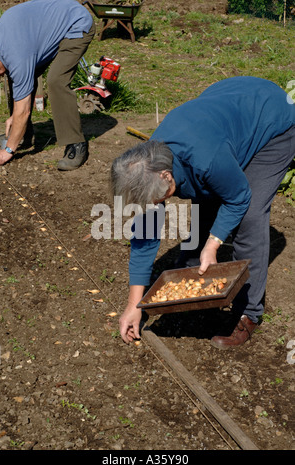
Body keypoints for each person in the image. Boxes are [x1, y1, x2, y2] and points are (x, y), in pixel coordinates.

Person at [111, 76, 295, 349]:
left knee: (249, 213)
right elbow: (145, 234)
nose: (155, 207)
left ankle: (248, 313)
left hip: (272, 121)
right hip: (227, 109)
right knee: (208, 195)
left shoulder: (204, 159)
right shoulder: (148, 166)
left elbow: (238, 197)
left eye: (156, 200)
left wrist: (213, 243)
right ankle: (194, 273)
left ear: (166, 174)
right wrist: (133, 305)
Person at [0, 0, 95, 171]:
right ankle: (21, 134)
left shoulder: (16, 56)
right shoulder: (3, 45)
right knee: (16, 78)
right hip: (47, 29)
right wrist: (15, 116)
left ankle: (76, 144)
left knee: (57, 80)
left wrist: (7, 151)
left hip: (76, 24)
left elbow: (24, 109)